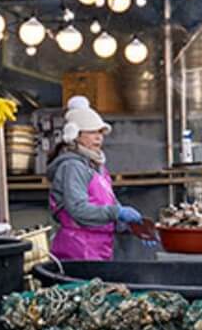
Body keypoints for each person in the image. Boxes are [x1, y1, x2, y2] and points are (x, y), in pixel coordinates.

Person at [47, 96, 138, 261]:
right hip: (79, 248)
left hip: (100, 246)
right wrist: (117, 212)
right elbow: (78, 209)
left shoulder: (97, 167)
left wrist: (129, 226)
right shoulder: (73, 167)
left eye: (100, 132)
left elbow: (108, 202)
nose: (99, 137)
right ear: (75, 135)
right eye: (92, 132)